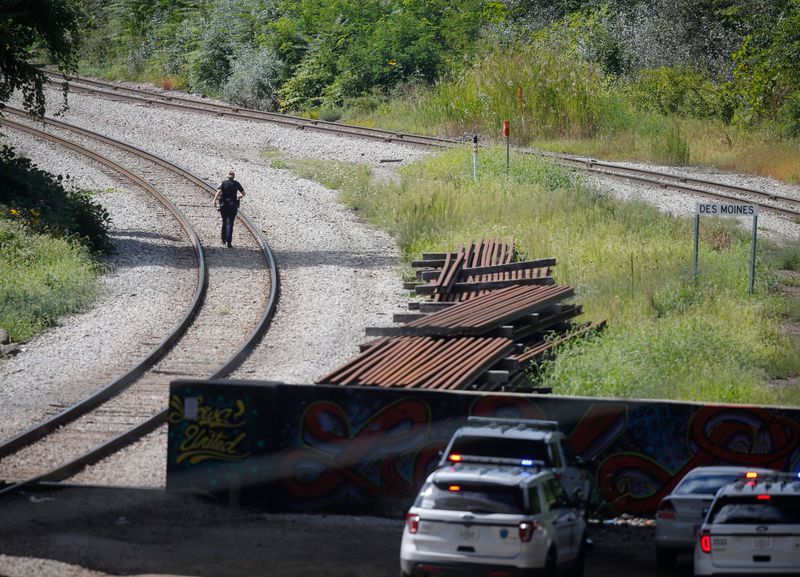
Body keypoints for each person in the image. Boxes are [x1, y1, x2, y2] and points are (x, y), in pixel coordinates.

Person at [213, 171, 245, 247]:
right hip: (233, 205)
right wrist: (239, 197)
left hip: (224, 205)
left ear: (227, 176)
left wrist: (214, 200)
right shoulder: (236, 183)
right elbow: (243, 193)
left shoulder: (223, 183)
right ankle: (229, 242)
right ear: (234, 176)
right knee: (230, 223)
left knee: (224, 221)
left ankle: (223, 239)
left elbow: (219, 191)